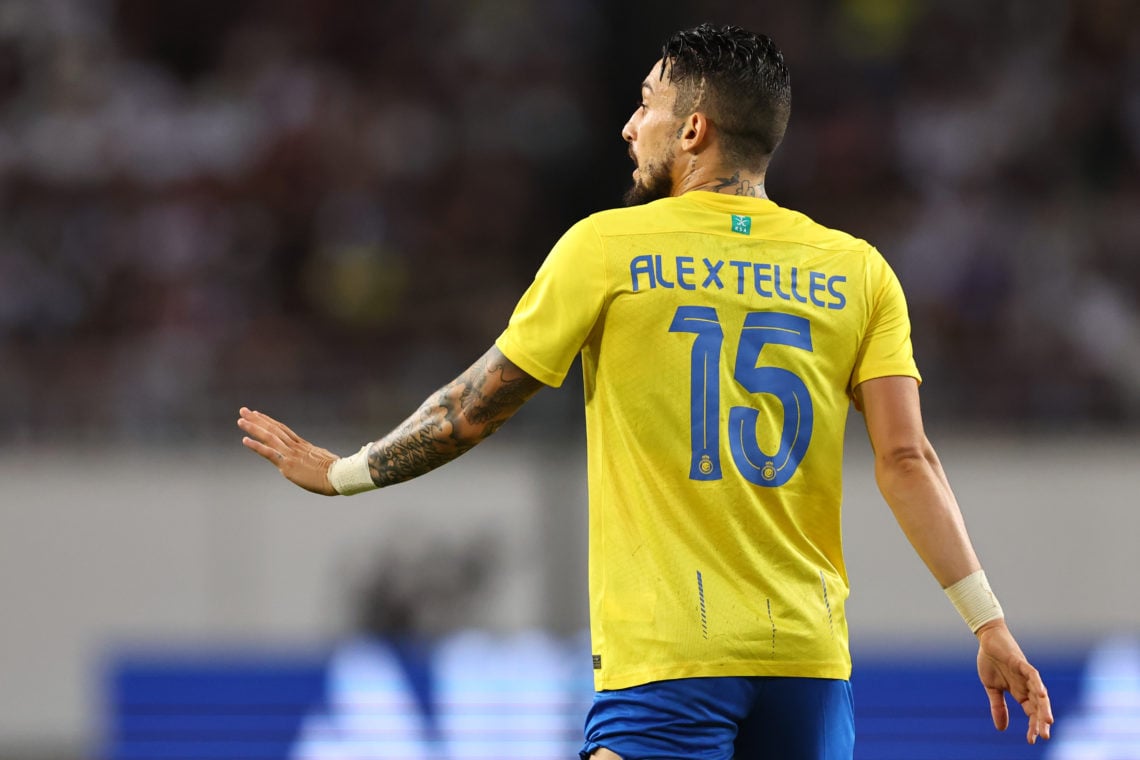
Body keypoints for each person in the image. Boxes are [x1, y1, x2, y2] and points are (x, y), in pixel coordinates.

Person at [237, 23, 1053, 760]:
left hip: (671, 659)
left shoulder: (608, 248)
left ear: (693, 129)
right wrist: (988, 622)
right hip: (808, 663)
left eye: (647, 103)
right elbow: (907, 459)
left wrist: (344, 471)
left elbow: (472, 409)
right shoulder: (859, 270)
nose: (630, 126)